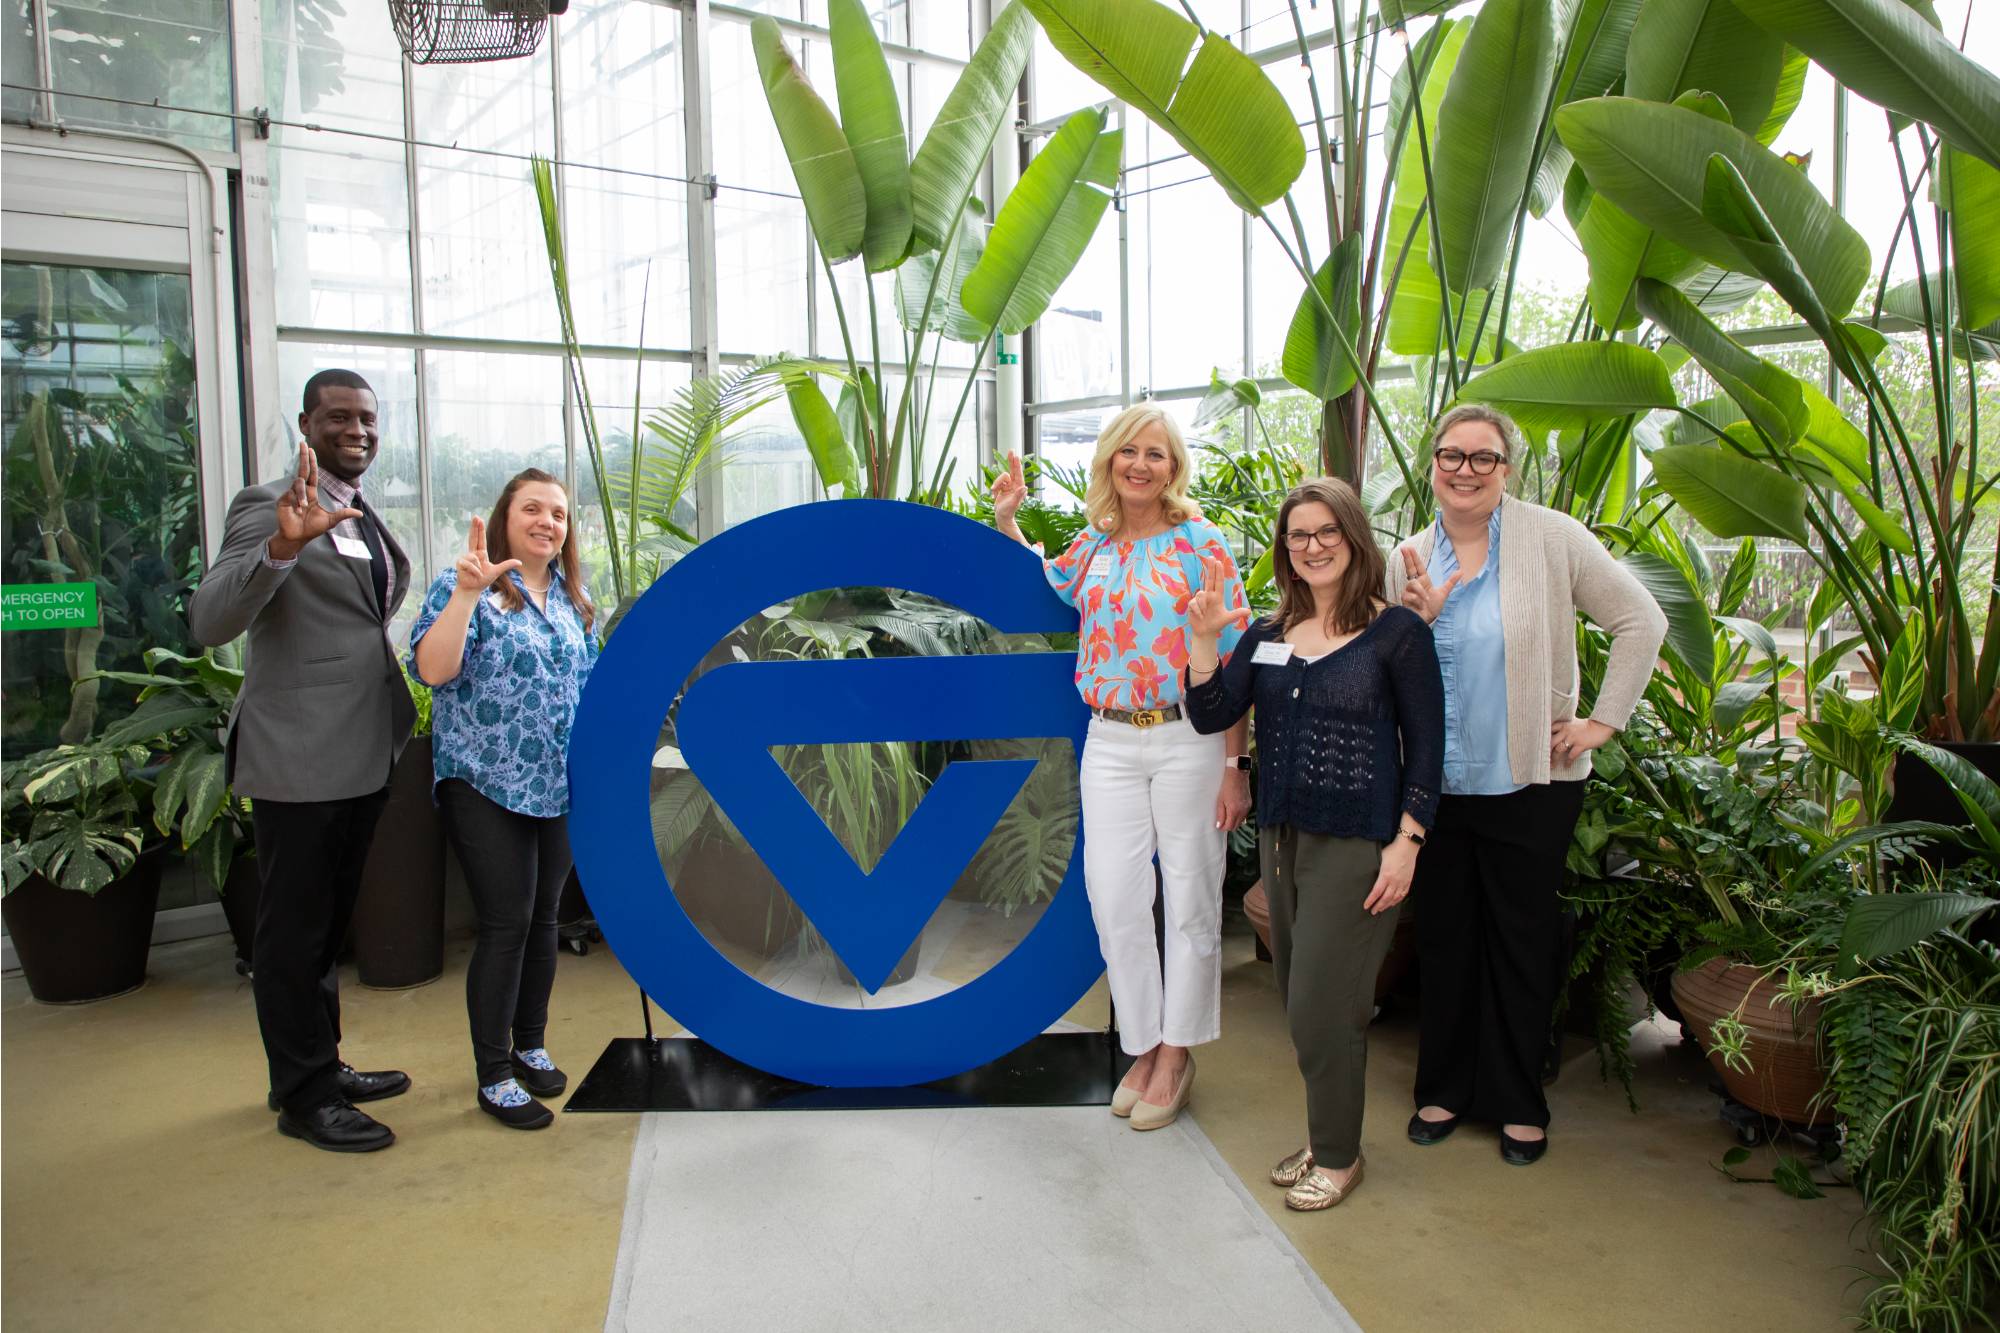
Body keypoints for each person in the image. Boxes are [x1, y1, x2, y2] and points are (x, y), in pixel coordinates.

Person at [1391, 404, 1666, 1165]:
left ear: (1506, 468)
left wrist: (1600, 724)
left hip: (1533, 779)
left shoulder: (1551, 537)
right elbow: (1393, 665)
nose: (1466, 470)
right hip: (1437, 784)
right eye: (1452, 455)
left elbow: (1641, 621)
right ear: (1434, 464)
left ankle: (1518, 1100)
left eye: (1484, 457)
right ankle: (1442, 1087)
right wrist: (1413, 623)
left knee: (1520, 940)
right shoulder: (1409, 555)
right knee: (1444, 939)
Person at [1184, 478, 1444, 1210]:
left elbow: (1426, 749)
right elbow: (1211, 712)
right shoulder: (1268, 635)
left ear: (1354, 538)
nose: (1313, 546)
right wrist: (1206, 640)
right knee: (1300, 997)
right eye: (1298, 535)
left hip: (1359, 842)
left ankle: (1337, 1155)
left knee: (1326, 1006)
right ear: (1285, 549)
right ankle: (1327, 1130)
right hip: (1281, 834)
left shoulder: (1397, 634)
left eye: (1327, 531)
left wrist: (1408, 842)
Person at [990, 406, 1251, 1130]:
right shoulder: (1095, 545)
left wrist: (1237, 763)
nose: (1140, 464)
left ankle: (1176, 1051)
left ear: (1174, 468)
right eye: (1128, 451)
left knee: (1194, 894)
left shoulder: (1202, 545)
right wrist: (1010, 522)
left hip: (1188, 739)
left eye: (1156, 454)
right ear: (1109, 460)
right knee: (1114, 896)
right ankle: (1142, 1039)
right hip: (1108, 740)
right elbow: (1051, 580)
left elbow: (1233, 659)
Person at [189, 369, 415, 1153]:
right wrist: (283, 546)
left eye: (368, 418)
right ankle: (304, 1096)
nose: (357, 430)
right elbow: (210, 618)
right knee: (291, 934)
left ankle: (321, 1063)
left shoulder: (356, 511)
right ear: (306, 423)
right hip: (297, 754)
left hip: (360, 748)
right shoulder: (268, 504)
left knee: (323, 930)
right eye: (339, 417)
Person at [410, 469, 599, 1130]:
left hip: (558, 784)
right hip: (485, 779)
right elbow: (434, 670)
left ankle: (530, 1043)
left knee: (545, 915)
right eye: (533, 509)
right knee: (508, 919)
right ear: (504, 516)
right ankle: (494, 1072)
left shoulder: (575, 599)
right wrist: (466, 594)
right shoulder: (471, 585)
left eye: (559, 513)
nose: (548, 521)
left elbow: (593, 690)